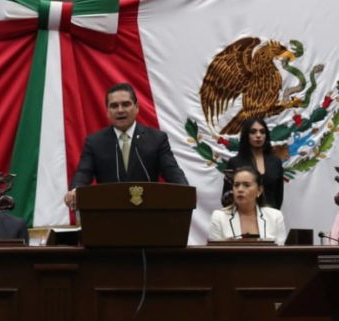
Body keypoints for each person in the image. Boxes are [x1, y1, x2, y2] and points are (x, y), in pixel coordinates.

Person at [63, 82, 188, 211]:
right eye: (114, 106)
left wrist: (185, 189)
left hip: (149, 214)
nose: (120, 110)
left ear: (137, 107)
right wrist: (75, 191)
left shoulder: (156, 139)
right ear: (107, 111)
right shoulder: (95, 142)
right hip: (109, 215)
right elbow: (84, 172)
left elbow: (172, 170)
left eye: (126, 104)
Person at [208, 166, 288, 243]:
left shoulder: (275, 217)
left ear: (259, 190)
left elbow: (281, 252)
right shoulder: (219, 217)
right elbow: (213, 254)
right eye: (236, 185)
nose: (240, 189)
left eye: (246, 185)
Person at [222, 118, 284, 209]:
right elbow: (226, 197)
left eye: (262, 132)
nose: (258, 135)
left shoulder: (276, 162)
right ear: (246, 135)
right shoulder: (235, 162)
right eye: (253, 132)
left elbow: (279, 196)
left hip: (271, 216)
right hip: (241, 216)